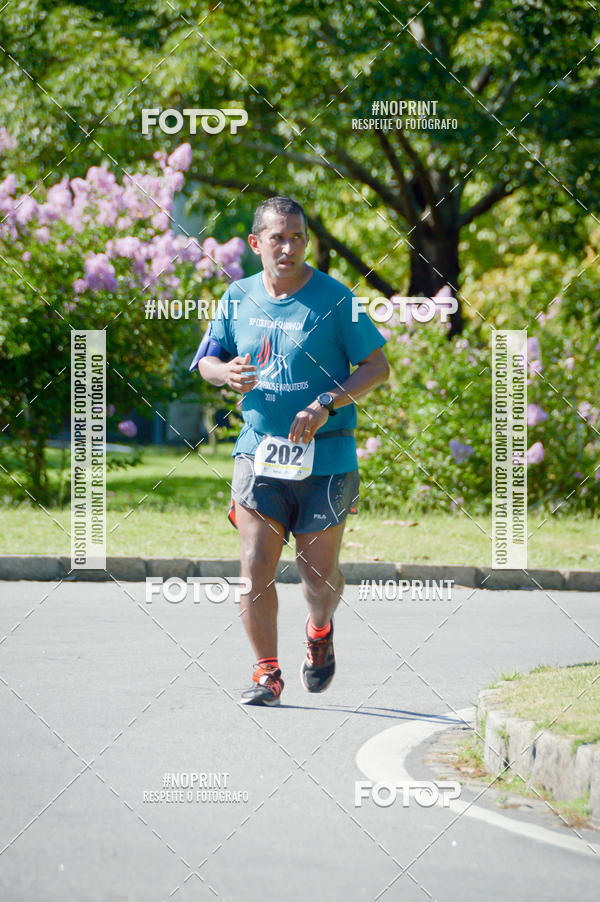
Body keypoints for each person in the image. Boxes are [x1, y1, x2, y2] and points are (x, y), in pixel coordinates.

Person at [192, 196, 390, 706]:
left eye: (298, 236)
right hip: (259, 451)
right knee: (256, 564)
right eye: (278, 237)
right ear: (256, 243)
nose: (289, 246)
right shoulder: (237, 297)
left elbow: (376, 367)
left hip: (326, 457)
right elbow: (207, 362)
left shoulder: (335, 299)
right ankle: (266, 674)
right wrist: (226, 372)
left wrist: (326, 402)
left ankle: (319, 630)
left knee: (317, 578)